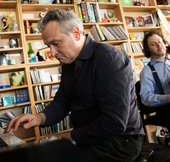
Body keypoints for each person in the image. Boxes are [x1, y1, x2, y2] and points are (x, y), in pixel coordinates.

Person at [7, 9, 144, 162]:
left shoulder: (110, 59)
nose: (52, 52)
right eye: (48, 46)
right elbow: (63, 100)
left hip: (121, 142)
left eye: (56, 43)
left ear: (76, 33)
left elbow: (114, 123)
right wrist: (39, 118)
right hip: (89, 138)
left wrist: (67, 136)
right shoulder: (68, 63)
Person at [140, 30, 170, 129]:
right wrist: (167, 98)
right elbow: (145, 98)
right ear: (148, 50)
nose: (159, 45)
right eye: (153, 44)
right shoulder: (147, 71)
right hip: (167, 111)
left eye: (160, 41)